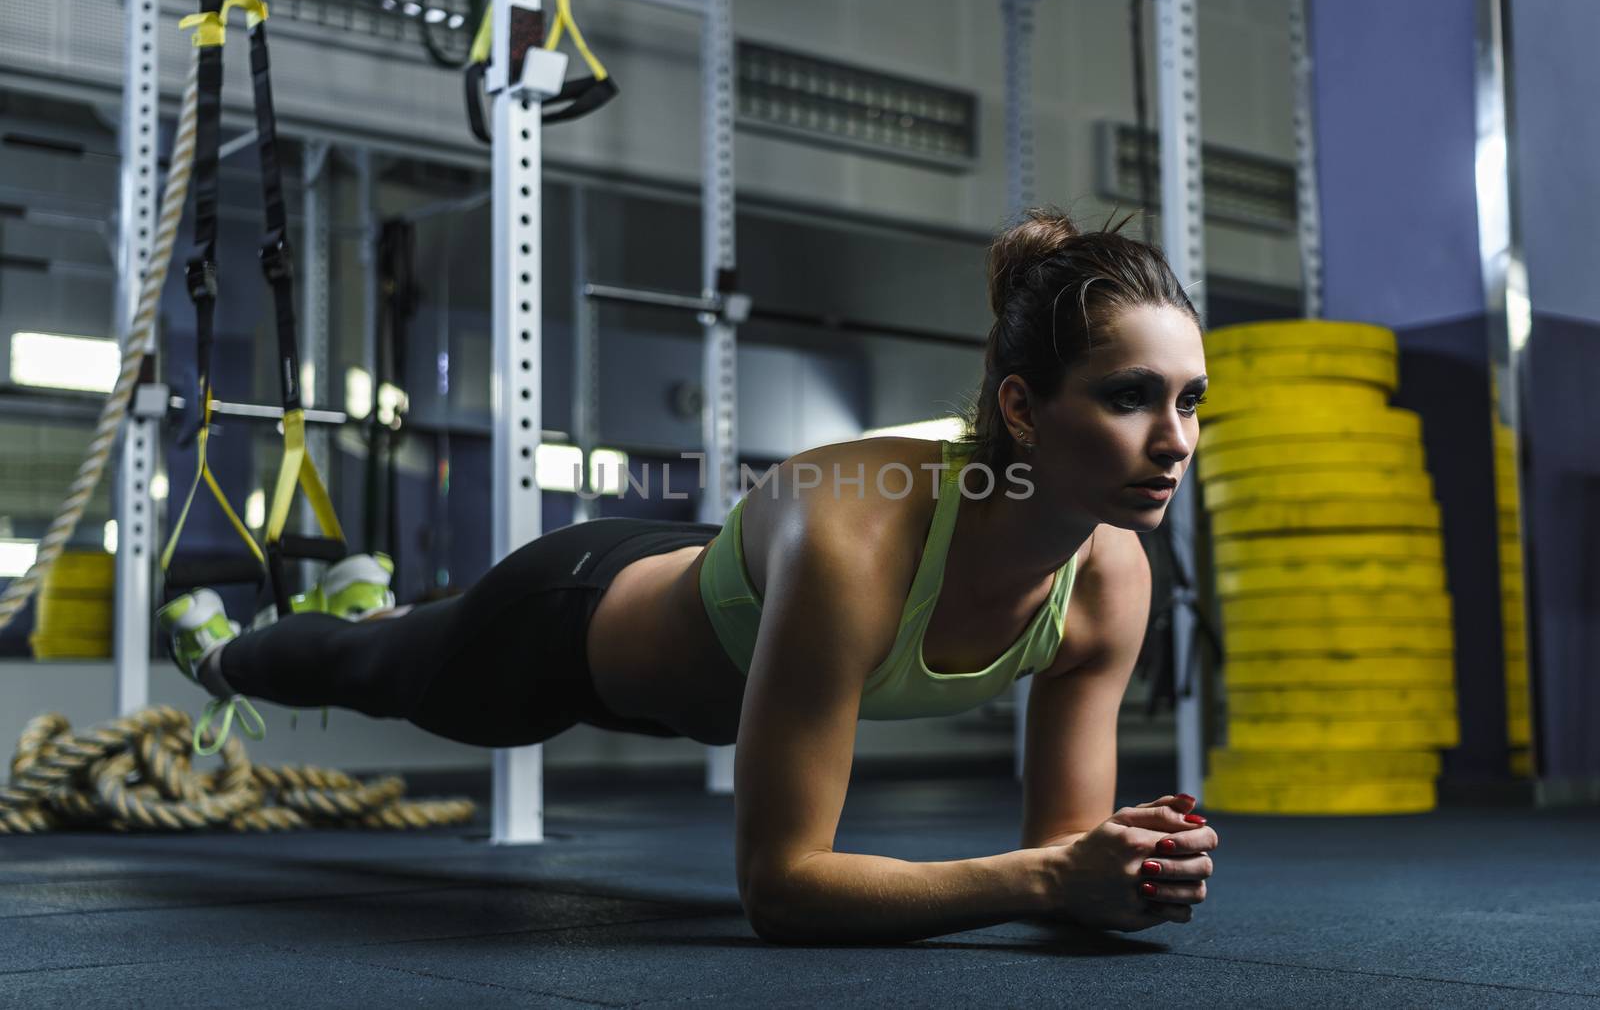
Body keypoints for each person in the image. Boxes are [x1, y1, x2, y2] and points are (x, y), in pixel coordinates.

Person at [157, 206, 1217, 945]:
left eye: (1190, 400)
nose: (1174, 439)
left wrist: (1124, 864)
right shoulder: (861, 531)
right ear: (1024, 408)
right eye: (1131, 396)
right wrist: (1046, 876)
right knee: (370, 662)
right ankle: (223, 648)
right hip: (566, 625)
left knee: (383, 638)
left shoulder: (1109, 578)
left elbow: (1060, 855)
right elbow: (782, 886)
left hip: (708, 629)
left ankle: (366, 602)